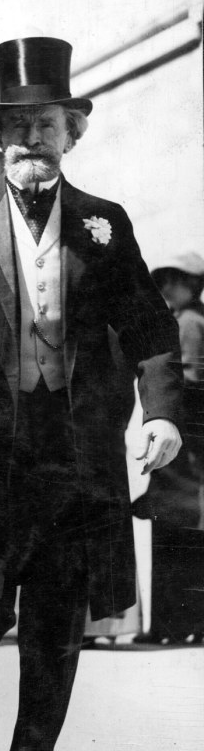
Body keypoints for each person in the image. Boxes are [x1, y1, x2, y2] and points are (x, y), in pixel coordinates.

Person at [0, 37, 183, 751]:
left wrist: (163, 410)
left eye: (50, 124)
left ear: (74, 133)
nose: (34, 139)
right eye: (20, 125)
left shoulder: (106, 224)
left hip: (74, 457)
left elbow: (149, 324)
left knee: (57, 628)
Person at [133, 252, 204, 644]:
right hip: (190, 446)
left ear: (190, 282)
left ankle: (172, 624)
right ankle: (180, 623)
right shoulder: (191, 319)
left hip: (186, 446)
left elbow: (191, 380)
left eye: (171, 281)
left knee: (176, 530)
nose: (163, 290)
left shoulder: (189, 323)